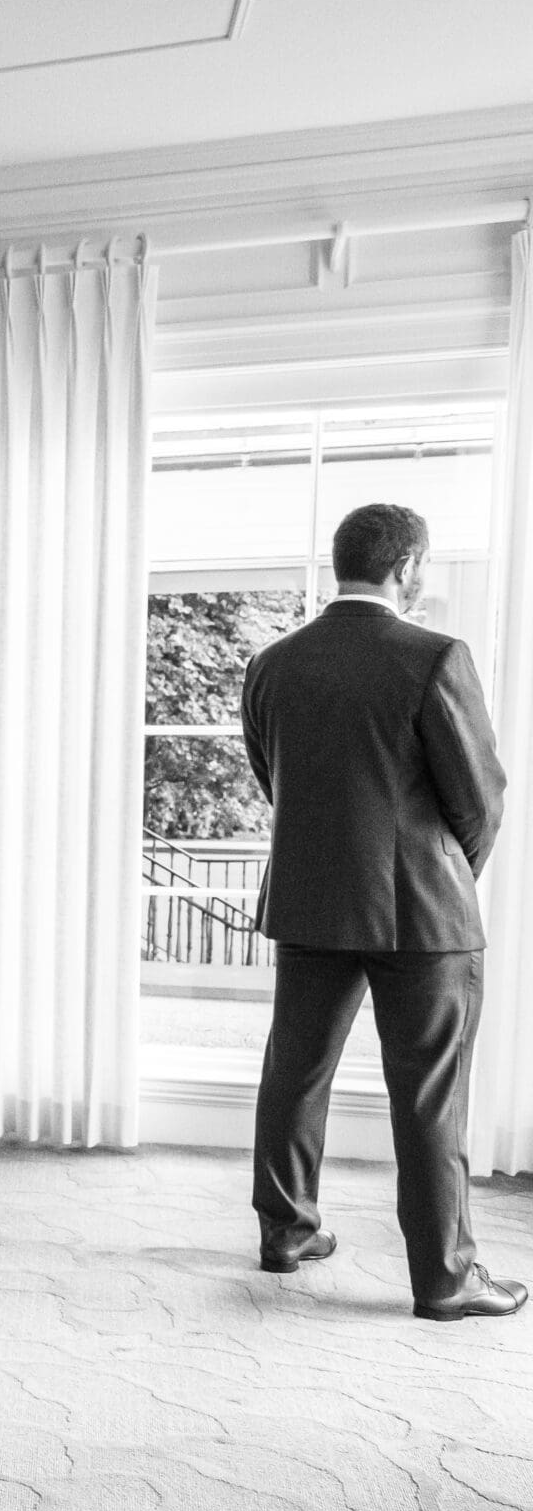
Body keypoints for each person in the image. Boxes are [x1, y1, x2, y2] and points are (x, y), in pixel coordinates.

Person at [242, 502, 518, 1321]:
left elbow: (273, 775)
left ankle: (286, 1231)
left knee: (295, 1069)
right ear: (408, 566)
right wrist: (448, 871)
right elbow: (480, 796)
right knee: (430, 1092)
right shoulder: (435, 656)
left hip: (311, 900)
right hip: (422, 914)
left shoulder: (272, 663)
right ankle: (446, 1278)